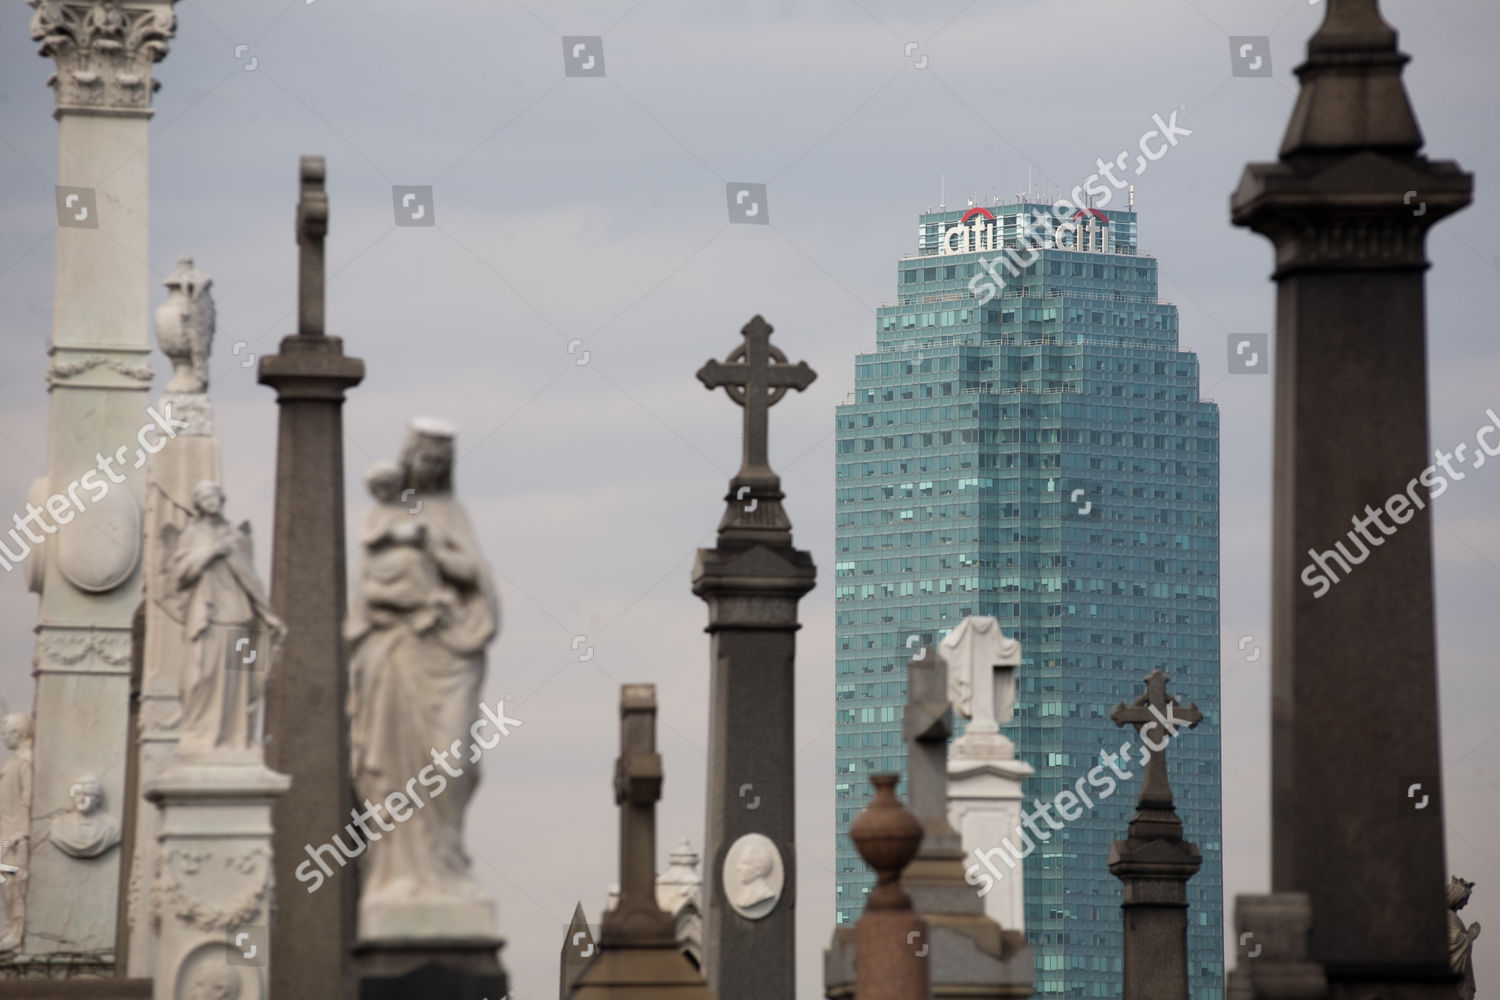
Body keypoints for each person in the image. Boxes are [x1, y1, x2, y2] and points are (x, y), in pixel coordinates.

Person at [347, 419, 499, 917]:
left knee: (454, 763)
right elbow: (368, 595)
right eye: (426, 460)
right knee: (394, 767)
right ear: (410, 460)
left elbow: (474, 576)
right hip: (400, 656)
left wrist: (433, 546)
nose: (432, 469)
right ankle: (400, 875)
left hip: (448, 652)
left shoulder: (450, 512)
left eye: (442, 462)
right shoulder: (385, 515)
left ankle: (445, 867)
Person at [171, 482, 284, 757]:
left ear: (222, 499)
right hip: (209, 618)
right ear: (198, 503)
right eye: (205, 497)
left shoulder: (236, 537)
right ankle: (202, 735)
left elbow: (251, 580)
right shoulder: (192, 535)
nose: (211, 501)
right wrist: (211, 552)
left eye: (215, 496)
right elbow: (181, 575)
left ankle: (239, 737)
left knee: (242, 680)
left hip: (240, 616)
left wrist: (268, 616)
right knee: (203, 676)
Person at [0, 714, 33, 951]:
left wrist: (21, 834)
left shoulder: (25, 761)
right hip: (6, 831)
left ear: (18, 734)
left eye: (6, 731)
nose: (2, 736)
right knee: (5, 881)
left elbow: (28, 801)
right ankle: (11, 926)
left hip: (15, 834)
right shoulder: (14, 761)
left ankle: (17, 929)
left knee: (14, 882)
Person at [49, 777, 120, 859]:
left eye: (88, 795)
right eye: (78, 794)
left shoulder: (112, 827)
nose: (82, 799)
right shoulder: (58, 826)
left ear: (98, 799)